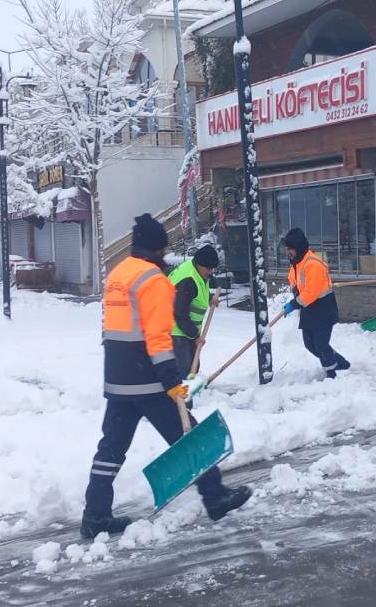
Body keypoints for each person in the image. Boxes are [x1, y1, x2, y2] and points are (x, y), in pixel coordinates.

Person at [83, 214, 251, 539]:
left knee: (111, 448)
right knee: (192, 437)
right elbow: (158, 338)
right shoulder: (154, 280)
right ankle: (215, 498)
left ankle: (95, 514)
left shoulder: (118, 274)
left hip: (118, 378)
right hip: (148, 381)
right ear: (159, 248)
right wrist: (172, 382)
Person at [282, 228, 350, 379]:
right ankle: (340, 363)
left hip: (323, 308)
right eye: (286, 249)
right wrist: (295, 291)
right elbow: (293, 279)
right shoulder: (297, 263)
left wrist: (294, 303)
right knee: (310, 344)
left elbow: (312, 291)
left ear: (298, 247)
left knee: (320, 344)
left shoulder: (313, 264)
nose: (287, 252)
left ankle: (331, 372)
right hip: (309, 309)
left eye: (290, 249)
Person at [170, 245, 219, 380]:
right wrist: (195, 335)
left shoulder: (198, 273)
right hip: (175, 330)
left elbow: (196, 292)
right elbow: (179, 313)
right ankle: (182, 393)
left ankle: (189, 390)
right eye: (208, 268)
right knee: (183, 370)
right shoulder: (188, 279)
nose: (211, 271)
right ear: (199, 264)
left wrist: (209, 299)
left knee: (193, 367)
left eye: (213, 268)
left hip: (185, 330)